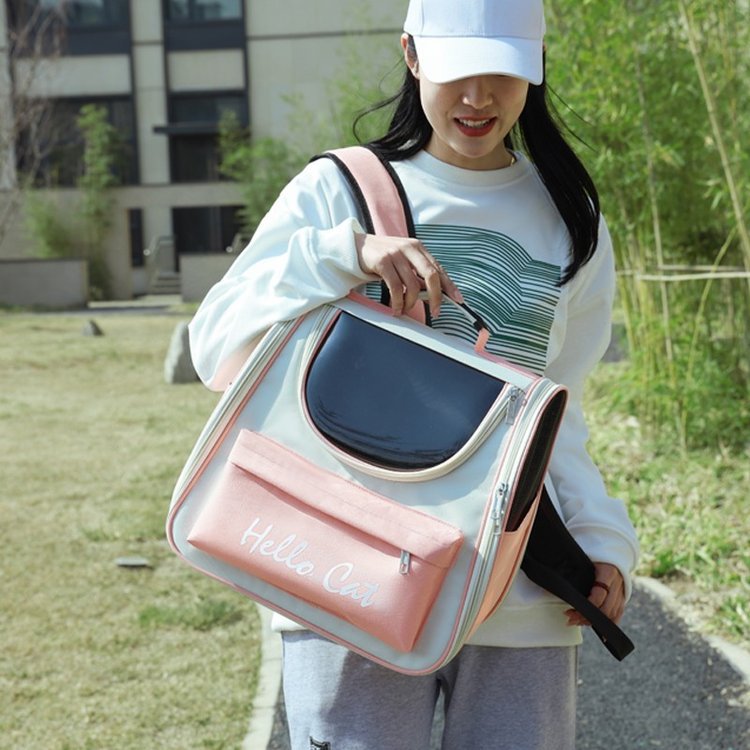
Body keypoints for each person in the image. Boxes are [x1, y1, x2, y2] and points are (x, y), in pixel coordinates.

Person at [188, 0, 640, 747]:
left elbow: (560, 410)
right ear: (412, 55)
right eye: (458, 70)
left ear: (535, 70)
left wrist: (603, 538)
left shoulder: (572, 215)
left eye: (503, 73)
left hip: (516, 585)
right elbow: (214, 343)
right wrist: (344, 254)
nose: (478, 97)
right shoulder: (338, 191)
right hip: (351, 570)